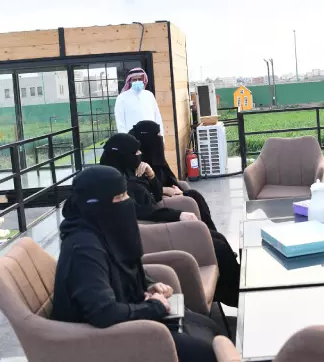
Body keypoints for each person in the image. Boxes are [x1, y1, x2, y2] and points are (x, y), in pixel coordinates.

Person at [50, 165, 221, 362]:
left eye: (126, 195)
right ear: (95, 204)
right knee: (208, 352)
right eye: (120, 197)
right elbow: (103, 311)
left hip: (130, 323)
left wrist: (148, 285)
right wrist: (154, 307)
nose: (128, 202)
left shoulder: (102, 231)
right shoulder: (83, 249)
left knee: (209, 328)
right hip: (108, 342)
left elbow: (124, 267)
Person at [99, 133, 240, 308]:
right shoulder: (115, 185)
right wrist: (177, 215)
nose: (140, 155)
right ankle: (234, 295)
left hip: (161, 224)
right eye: (135, 152)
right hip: (154, 234)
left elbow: (156, 196)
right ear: (123, 155)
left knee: (218, 239)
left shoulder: (132, 172)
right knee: (217, 246)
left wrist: (151, 175)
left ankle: (240, 287)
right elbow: (141, 211)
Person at [131, 120, 216, 231]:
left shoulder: (157, 157)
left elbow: (168, 178)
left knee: (194, 195)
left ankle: (209, 231)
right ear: (147, 139)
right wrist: (167, 190)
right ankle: (207, 232)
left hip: (171, 193)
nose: (160, 139)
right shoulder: (139, 165)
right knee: (193, 196)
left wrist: (177, 189)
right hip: (160, 201)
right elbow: (144, 191)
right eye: (157, 135)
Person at [115, 68, 164, 135]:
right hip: (132, 137)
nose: (137, 81)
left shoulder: (149, 95)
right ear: (130, 81)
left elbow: (157, 116)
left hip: (151, 136)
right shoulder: (122, 98)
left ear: (143, 80)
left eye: (140, 79)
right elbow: (120, 122)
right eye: (134, 80)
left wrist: (161, 136)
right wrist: (126, 139)